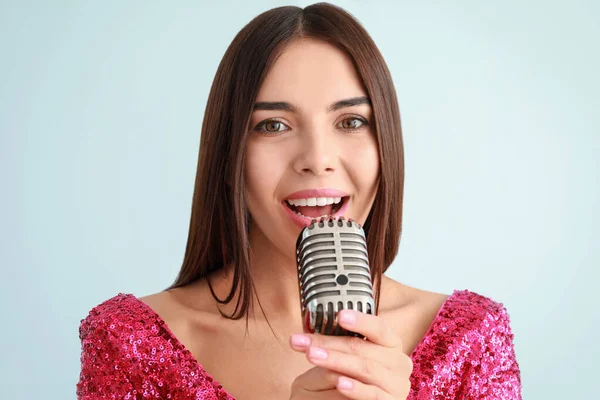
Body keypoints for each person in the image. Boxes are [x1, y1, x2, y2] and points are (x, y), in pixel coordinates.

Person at [76, 3, 522, 399]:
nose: (318, 160)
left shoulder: (471, 340)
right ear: (230, 151)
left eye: (350, 121)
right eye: (273, 125)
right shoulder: (128, 343)